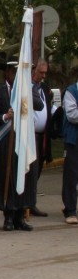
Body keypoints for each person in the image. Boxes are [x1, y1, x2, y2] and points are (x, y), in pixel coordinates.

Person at [0, 62, 43, 231]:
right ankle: (9, 216)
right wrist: (6, 116)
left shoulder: (28, 89)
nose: (15, 74)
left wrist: (25, 92)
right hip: (7, 140)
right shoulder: (0, 91)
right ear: (7, 72)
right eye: (13, 71)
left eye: (19, 72)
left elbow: (40, 105)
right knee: (8, 177)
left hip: (25, 140)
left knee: (25, 176)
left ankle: (21, 216)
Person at [31, 60, 53, 212]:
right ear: (34, 70)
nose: (43, 76)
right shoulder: (26, 86)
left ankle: (31, 203)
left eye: (45, 73)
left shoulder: (44, 88)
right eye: (41, 72)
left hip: (42, 136)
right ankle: (25, 203)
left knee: (37, 170)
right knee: (30, 169)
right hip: (30, 135)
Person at [61, 79, 78, 224]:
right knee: (71, 176)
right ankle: (70, 210)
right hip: (73, 140)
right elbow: (72, 115)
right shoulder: (71, 91)